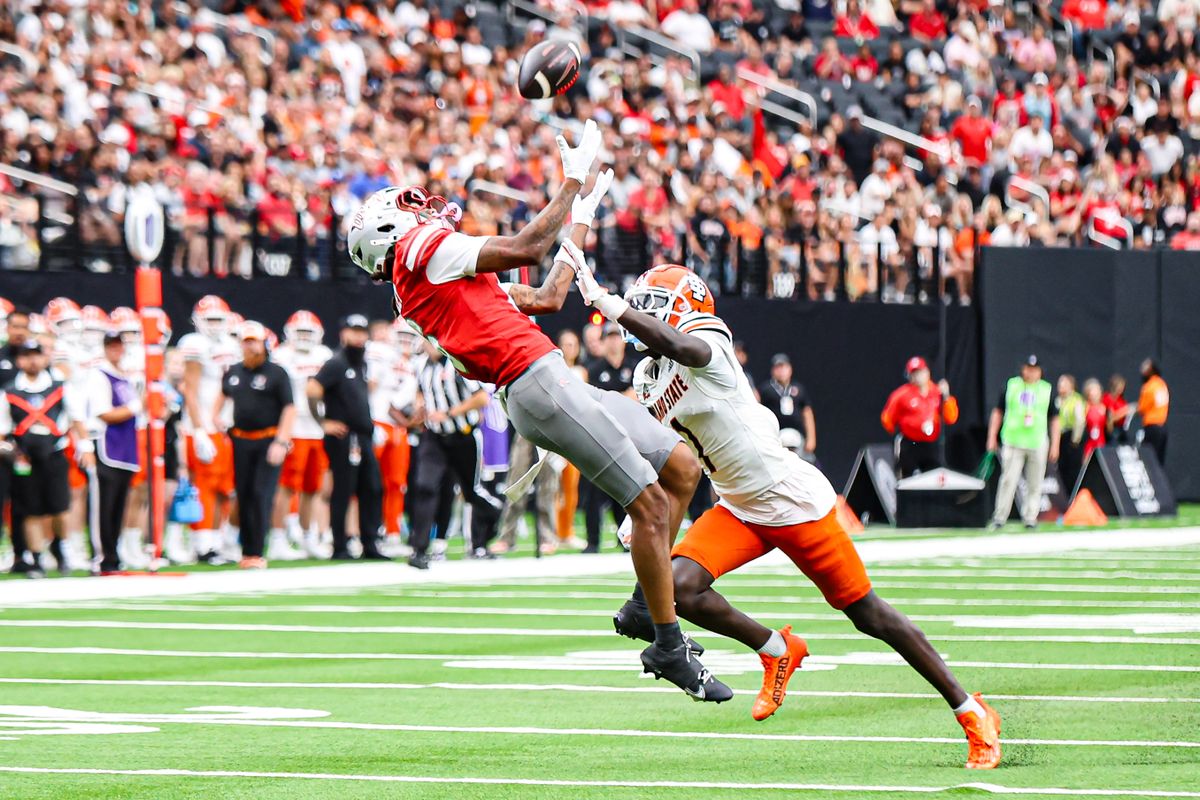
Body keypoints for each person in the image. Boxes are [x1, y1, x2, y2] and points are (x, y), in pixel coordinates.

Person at [567, 257, 1001, 769]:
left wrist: (609, 306)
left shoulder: (706, 343)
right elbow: (665, 448)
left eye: (651, 309)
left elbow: (681, 346)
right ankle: (776, 648)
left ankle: (971, 710)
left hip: (787, 498)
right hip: (738, 504)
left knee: (869, 614)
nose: (639, 318)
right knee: (680, 588)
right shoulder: (646, 375)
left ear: (684, 309)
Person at [348, 123, 724, 701]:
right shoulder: (422, 252)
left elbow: (549, 295)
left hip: (544, 380)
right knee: (648, 499)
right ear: (390, 232)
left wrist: (583, 214)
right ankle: (669, 644)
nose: (424, 211)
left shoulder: (441, 281)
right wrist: (570, 182)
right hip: (535, 385)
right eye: (410, 208)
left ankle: (645, 607)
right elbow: (525, 247)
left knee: (680, 468)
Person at [406, 340, 503, 569]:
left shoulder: (457, 364)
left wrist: (450, 412)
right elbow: (420, 392)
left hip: (463, 435)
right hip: (435, 437)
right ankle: (419, 549)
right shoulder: (420, 365)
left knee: (471, 493)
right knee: (425, 487)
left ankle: (494, 514)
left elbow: (482, 398)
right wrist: (420, 407)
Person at [0, 341, 91, 577]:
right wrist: (9, 449)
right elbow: (3, 428)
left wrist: (85, 446)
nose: (32, 361)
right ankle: (37, 557)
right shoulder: (9, 391)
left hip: (54, 453)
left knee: (60, 507)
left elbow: (77, 418)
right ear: (19, 360)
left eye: (36, 355)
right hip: (25, 457)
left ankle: (60, 546)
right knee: (30, 510)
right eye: (27, 356)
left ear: (45, 358)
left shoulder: (60, 387)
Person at [307, 315, 389, 561]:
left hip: (362, 436)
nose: (358, 337)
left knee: (372, 488)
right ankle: (340, 546)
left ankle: (370, 543)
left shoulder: (361, 363)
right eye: (353, 332)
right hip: (345, 437)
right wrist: (323, 422)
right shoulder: (336, 362)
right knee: (343, 490)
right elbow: (312, 389)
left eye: (362, 332)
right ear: (344, 334)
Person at [215, 321, 295, 569]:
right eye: (246, 341)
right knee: (244, 494)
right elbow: (223, 394)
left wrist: (281, 441)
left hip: (268, 439)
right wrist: (216, 418)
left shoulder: (276, 373)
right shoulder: (234, 371)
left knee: (262, 494)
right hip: (241, 440)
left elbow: (289, 408)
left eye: (253, 341)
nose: (249, 345)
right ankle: (246, 550)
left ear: (263, 343)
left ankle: (257, 551)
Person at [178, 295, 240, 562]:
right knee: (202, 485)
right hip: (200, 425)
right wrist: (199, 428)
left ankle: (216, 540)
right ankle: (201, 543)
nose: (214, 325)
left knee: (223, 487)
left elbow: (230, 388)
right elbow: (190, 390)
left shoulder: (231, 344)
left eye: (218, 319)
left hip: (223, 424)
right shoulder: (194, 344)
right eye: (210, 319)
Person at [273, 310, 333, 560]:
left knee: (313, 487)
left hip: (317, 431)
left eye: (309, 332)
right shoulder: (281, 356)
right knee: (286, 486)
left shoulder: (325, 356)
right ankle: (278, 538)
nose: (305, 337)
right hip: (293, 429)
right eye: (300, 332)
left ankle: (309, 537)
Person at [85, 331, 142, 574]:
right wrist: (138, 405)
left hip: (125, 448)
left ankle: (114, 556)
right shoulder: (99, 375)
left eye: (119, 345)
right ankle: (102, 557)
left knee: (118, 505)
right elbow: (104, 412)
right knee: (104, 505)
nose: (116, 350)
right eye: (111, 345)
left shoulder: (124, 377)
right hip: (107, 445)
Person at [580, 323, 637, 553]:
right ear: (603, 342)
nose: (613, 341)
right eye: (609, 337)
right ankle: (592, 542)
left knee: (627, 491)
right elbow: (590, 403)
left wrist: (611, 401)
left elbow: (636, 399)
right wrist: (620, 399)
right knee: (594, 491)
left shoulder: (634, 368)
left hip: (629, 438)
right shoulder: (592, 370)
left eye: (616, 336)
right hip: (601, 438)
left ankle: (625, 540)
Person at [986, 355, 1060, 530]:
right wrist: (992, 436)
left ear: (1040, 371)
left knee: (1035, 482)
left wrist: (1055, 444)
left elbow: (1055, 419)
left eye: (1035, 369)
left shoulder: (1046, 389)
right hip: (1013, 439)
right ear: (1023, 369)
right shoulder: (1012, 385)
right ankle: (1000, 517)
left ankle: (1030, 518)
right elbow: (998, 412)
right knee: (1008, 480)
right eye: (1029, 368)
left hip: (1037, 440)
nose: (1032, 372)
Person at [880, 356, 958, 477]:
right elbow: (887, 418)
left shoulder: (936, 392)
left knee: (933, 477)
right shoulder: (902, 395)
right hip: (911, 445)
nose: (918, 376)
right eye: (914, 373)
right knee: (909, 477)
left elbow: (951, 418)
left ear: (927, 372)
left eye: (920, 372)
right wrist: (902, 428)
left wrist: (947, 396)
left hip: (930, 445)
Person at [758, 353, 816, 460]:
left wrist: (811, 438)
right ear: (773, 370)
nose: (781, 371)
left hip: (798, 437)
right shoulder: (766, 389)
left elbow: (807, 412)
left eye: (784, 367)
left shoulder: (798, 389)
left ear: (790, 369)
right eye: (778, 367)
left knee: (809, 462)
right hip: (775, 437)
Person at [1054, 375, 1086, 496]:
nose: (1060, 387)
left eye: (1064, 384)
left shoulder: (1076, 400)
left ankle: (1073, 496)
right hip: (1059, 437)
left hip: (1071, 438)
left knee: (1072, 470)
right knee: (1060, 469)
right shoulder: (1057, 400)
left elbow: (1080, 421)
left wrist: (1075, 440)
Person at [1137, 359, 1169, 465]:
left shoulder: (1149, 386)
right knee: (1158, 462)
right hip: (1162, 427)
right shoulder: (1161, 384)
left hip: (1152, 428)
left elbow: (1141, 408)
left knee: (1148, 461)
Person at [1081, 378, 1109, 463]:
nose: (1093, 394)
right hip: (1089, 444)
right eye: (1091, 392)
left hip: (1101, 443)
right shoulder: (1085, 407)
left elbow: (1108, 427)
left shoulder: (1104, 408)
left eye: (1096, 391)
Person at [1102, 374, 1133, 443]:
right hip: (1112, 429)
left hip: (1122, 428)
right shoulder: (1107, 398)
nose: (1122, 388)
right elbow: (1111, 418)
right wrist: (1125, 411)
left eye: (1123, 386)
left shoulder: (1122, 401)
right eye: (1120, 386)